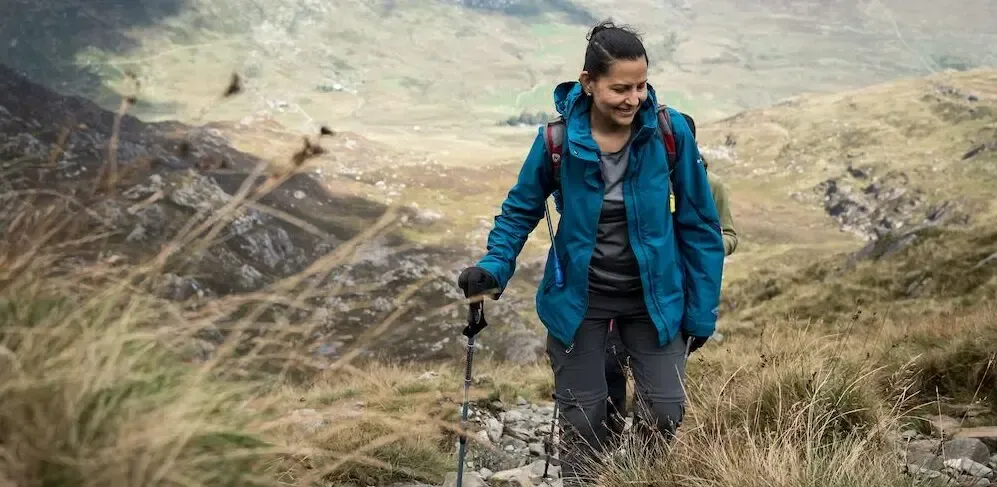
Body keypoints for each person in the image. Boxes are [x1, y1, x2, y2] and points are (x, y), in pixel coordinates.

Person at [456, 20, 725, 484]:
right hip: (580, 301)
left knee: (664, 411)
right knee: (583, 422)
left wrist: (701, 314)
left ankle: (638, 477)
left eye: (641, 86)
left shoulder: (670, 132)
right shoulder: (556, 143)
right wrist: (493, 268)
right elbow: (520, 211)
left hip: (654, 300)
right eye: (620, 87)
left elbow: (700, 226)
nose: (634, 98)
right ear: (588, 83)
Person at [605, 154, 737, 438]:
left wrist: (700, 247)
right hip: (627, 291)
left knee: (657, 379)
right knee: (610, 363)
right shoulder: (638, 176)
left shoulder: (711, 185)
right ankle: (607, 439)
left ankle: (642, 454)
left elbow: (728, 235)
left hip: (676, 297)